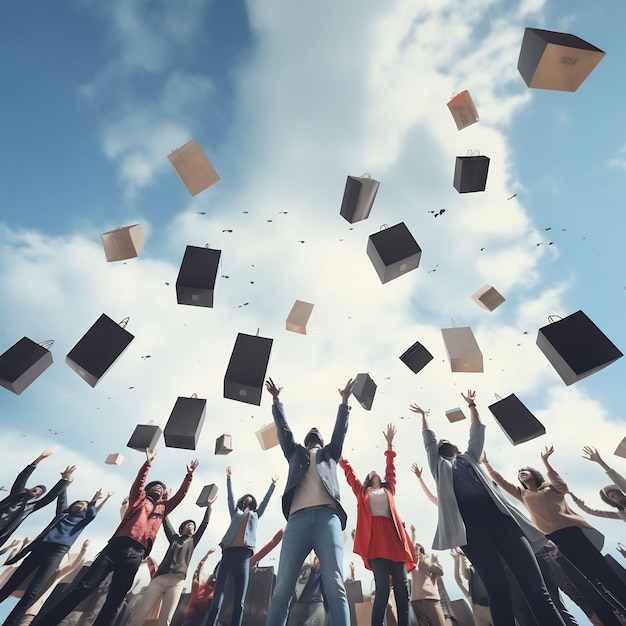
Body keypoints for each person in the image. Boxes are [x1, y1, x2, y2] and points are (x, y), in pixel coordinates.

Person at [411, 390, 565, 626]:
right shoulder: (438, 467)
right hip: (469, 526)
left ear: (455, 447)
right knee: (497, 589)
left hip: (499, 518)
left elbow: (476, 434)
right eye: (439, 443)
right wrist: (424, 417)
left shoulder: (469, 458)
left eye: (446, 441)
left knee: (536, 588)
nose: (441, 442)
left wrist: (472, 406)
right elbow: (429, 443)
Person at [32, 449, 197, 626]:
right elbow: (138, 483)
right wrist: (147, 464)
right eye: (155, 485)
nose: (158, 487)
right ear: (148, 490)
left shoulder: (163, 508)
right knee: (83, 589)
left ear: (164, 495)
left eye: (162, 488)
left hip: (135, 555)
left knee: (114, 601)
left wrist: (188, 476)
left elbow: (180, 496)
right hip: (115, 548)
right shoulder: (138, 499)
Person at [481, 445, 626, 615]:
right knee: (588, 577)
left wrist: (546, 463)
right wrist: (486, 464)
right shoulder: (522, 494)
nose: (521, 473)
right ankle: (619, 611)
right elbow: (502, 482)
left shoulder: (551, 487)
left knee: (603, 570)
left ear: (534, 474)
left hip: (572, 531)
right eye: (519, 473)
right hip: (555, 538)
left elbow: (562, 486)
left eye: (524, 470)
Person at [264, 376, 356, 626]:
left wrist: (345, 401)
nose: (315, 431)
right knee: (282, 589)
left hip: (328, 519)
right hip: (297, 522)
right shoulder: (295, 452)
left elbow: (340, 431)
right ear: (306, 441)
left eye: (319, 432)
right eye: (311, 432)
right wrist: (276, 400)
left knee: (336, 584)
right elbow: (284, 431)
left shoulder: (329, 454)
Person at [0, 465, 102, 626]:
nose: (81, 504)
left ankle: (10, 623)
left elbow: (92, 514)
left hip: (57, 552)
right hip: (41, 546)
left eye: (84, 504)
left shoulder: (83, 520)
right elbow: (61, 497)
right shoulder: (63, 513)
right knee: (13, 582)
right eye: (79, 502)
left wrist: (93, 501)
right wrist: (66, 481)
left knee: (33, 591)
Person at [338, 423, 414, 626]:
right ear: (368, 480)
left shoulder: (389, 489)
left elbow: (391, 470)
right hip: (375, 543)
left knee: (402, 591)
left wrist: (389, 445)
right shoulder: (362, 493)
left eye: (377, 472)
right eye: (371, 473)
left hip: (395, 540)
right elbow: (350, 476)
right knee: (381, 589)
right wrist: (341, 459)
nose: (375, 473)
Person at [203, 465, 277, 626]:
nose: (248, 499)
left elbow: (265, 502)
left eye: (251, 498)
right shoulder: (235, 512)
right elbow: (230, 498)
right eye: (245, 498)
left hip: (244, 557)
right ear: (242, 502)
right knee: (218, 597)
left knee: (240, 601)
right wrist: (228, 479)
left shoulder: (256, 514)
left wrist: (273, 485)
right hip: (228, 555)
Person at [126, 494, 215, 626]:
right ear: (183, 527)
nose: (192, 526)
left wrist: (209, 507)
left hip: (177, 582)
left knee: (166, 620)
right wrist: (164, 505)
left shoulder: (192, 541)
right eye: (189, 524)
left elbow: (204, 524)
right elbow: (165, 521)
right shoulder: (174, 538)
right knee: (140, 613)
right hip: (159, 579)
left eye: (193, 526)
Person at [0, 449, 69, 548]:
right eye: (37, 489)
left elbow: (50, 497)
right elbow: (22, 478)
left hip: (2, 532)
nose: (37, 491)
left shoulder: (32, 506)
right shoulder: (17, 494)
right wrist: (38, 460)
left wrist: (64, 480)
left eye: (40, 492)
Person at [569, 445, 626, 523]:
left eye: (617, 494)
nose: (616, 497)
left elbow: (617, 479)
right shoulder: (622, 514)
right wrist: (575, 499)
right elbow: (591, 511)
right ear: (612, 502)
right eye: (613, 497)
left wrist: (600, 461)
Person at [409, 543, 446, 626]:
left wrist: (432, 561)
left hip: (422, 600)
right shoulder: (417, 561)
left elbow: (440, 572)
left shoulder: (422, 560)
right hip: (426, 599)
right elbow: (440, 571)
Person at [286, 554, 327, 626]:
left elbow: (326, 591)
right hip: (298, 604)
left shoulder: (324, 573)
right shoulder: (305, 568)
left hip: (316, 604)